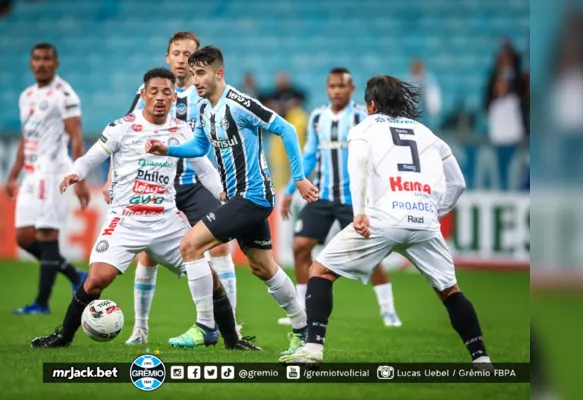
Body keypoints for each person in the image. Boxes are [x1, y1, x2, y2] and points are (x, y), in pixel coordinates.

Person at [31, 68, 258, 350]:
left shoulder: (182, 130)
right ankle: (63, 336)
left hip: (167, 222)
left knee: (209, 276)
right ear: (143, 95)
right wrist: (75, 172)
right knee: (96, 280)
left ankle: (232, 340)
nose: (160, 98)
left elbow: (206, 171)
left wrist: (225, 195)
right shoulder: (121, 127)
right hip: (125, 221)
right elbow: (91, 158)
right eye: (154, 92)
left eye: (166, 92)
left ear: (174, 97)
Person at [280, 76, 491, 368]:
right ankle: (481, 358)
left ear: (370, 104)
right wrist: (434, 212)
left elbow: (358, 168)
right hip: (424, 222)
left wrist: (360, 212)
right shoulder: (427, 133)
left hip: (382, 219)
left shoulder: (363, 128)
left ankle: (313, 349)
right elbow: (458, 183)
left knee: (321, 270)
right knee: (450, 291)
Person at [145, 46, 319, 354]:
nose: (195, 79)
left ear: (218, 73)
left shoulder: (240, 104)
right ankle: (303, 328)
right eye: (192, 72)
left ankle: (205, 326)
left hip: (253, 197)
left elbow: (287, 129)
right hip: (239, 197)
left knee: (190, 245)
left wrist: (299, 177)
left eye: (201, 73)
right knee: (263, 266)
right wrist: (167, 150)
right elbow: (199, 146)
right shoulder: (203, 108)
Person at [102, 32, 240, 345]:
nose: (181, 59)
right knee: (147, 255)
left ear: (196, 60)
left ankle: (229, 325)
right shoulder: (148, 91)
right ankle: (140, 329)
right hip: (155, 185)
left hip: (193, 185)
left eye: (187, 54)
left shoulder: (205, 92)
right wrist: (112, 178)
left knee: (219, 246)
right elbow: (125, 137)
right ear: (168, 57)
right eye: (175, 53)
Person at [279, 68, 402, 328]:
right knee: (301, 246)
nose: (336, 91)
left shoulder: (363, 117)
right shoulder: (317, 117)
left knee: (372, 256)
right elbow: (309, 155)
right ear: (327, 89)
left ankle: (388, 310)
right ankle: (302, 310)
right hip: (322, 196)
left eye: (341, 86)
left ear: (351, 88)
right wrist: (291, 190)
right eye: (332, 86)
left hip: (354, 201)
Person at [7, 43, 89, 315]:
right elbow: (25, 137)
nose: (41, 64)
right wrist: (14, 173)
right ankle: (75, 276)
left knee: (46, 235)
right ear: (31, 63)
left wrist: (81, 180)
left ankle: (41, 303)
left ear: (56, 64)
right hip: (31, 174)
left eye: (46, 59)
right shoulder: (26, 96)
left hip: (54, 171)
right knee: (24, 237)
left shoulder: (65, 95)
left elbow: (76, 139)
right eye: (37, 59)